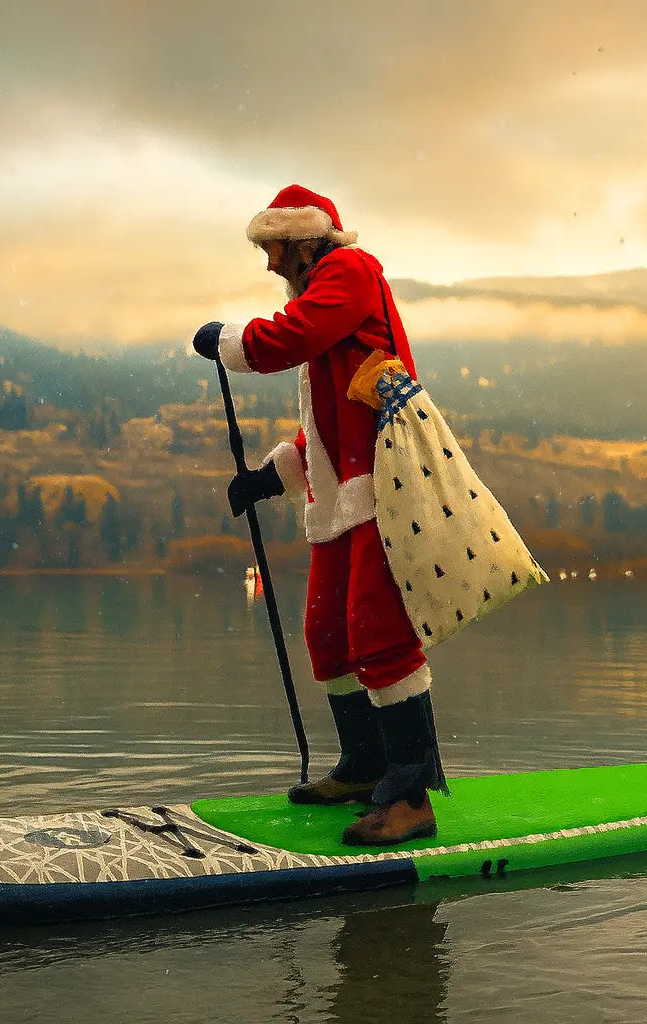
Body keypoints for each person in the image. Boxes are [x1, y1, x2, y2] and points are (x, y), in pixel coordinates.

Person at [192, 184, 447, 847]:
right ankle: (365, 768)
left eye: (271, 248)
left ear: (302, 239)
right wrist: (266, 479)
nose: (269, 265)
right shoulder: (324, 303)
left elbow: (288, 339)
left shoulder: (350, 271)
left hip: (382, 488)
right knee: (328, 634)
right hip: (341, 498)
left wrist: (229, 340)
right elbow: (326, 426)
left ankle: (413, 797)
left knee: (379, 633)